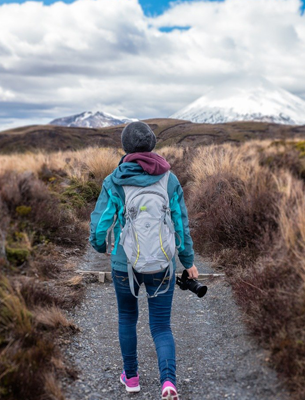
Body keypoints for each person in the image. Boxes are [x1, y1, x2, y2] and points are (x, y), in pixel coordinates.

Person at [89, 121, 197, 399]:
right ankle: (168, 382)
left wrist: (100, 246)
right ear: (152, 145)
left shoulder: (114, 180)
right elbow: (180, 225)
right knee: (161, 326)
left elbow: (101, 224)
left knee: (127, 317)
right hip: (162, 264)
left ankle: (132, 378)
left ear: (126, 148)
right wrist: (187, 260)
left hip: (125, 264)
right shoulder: (169, 179)